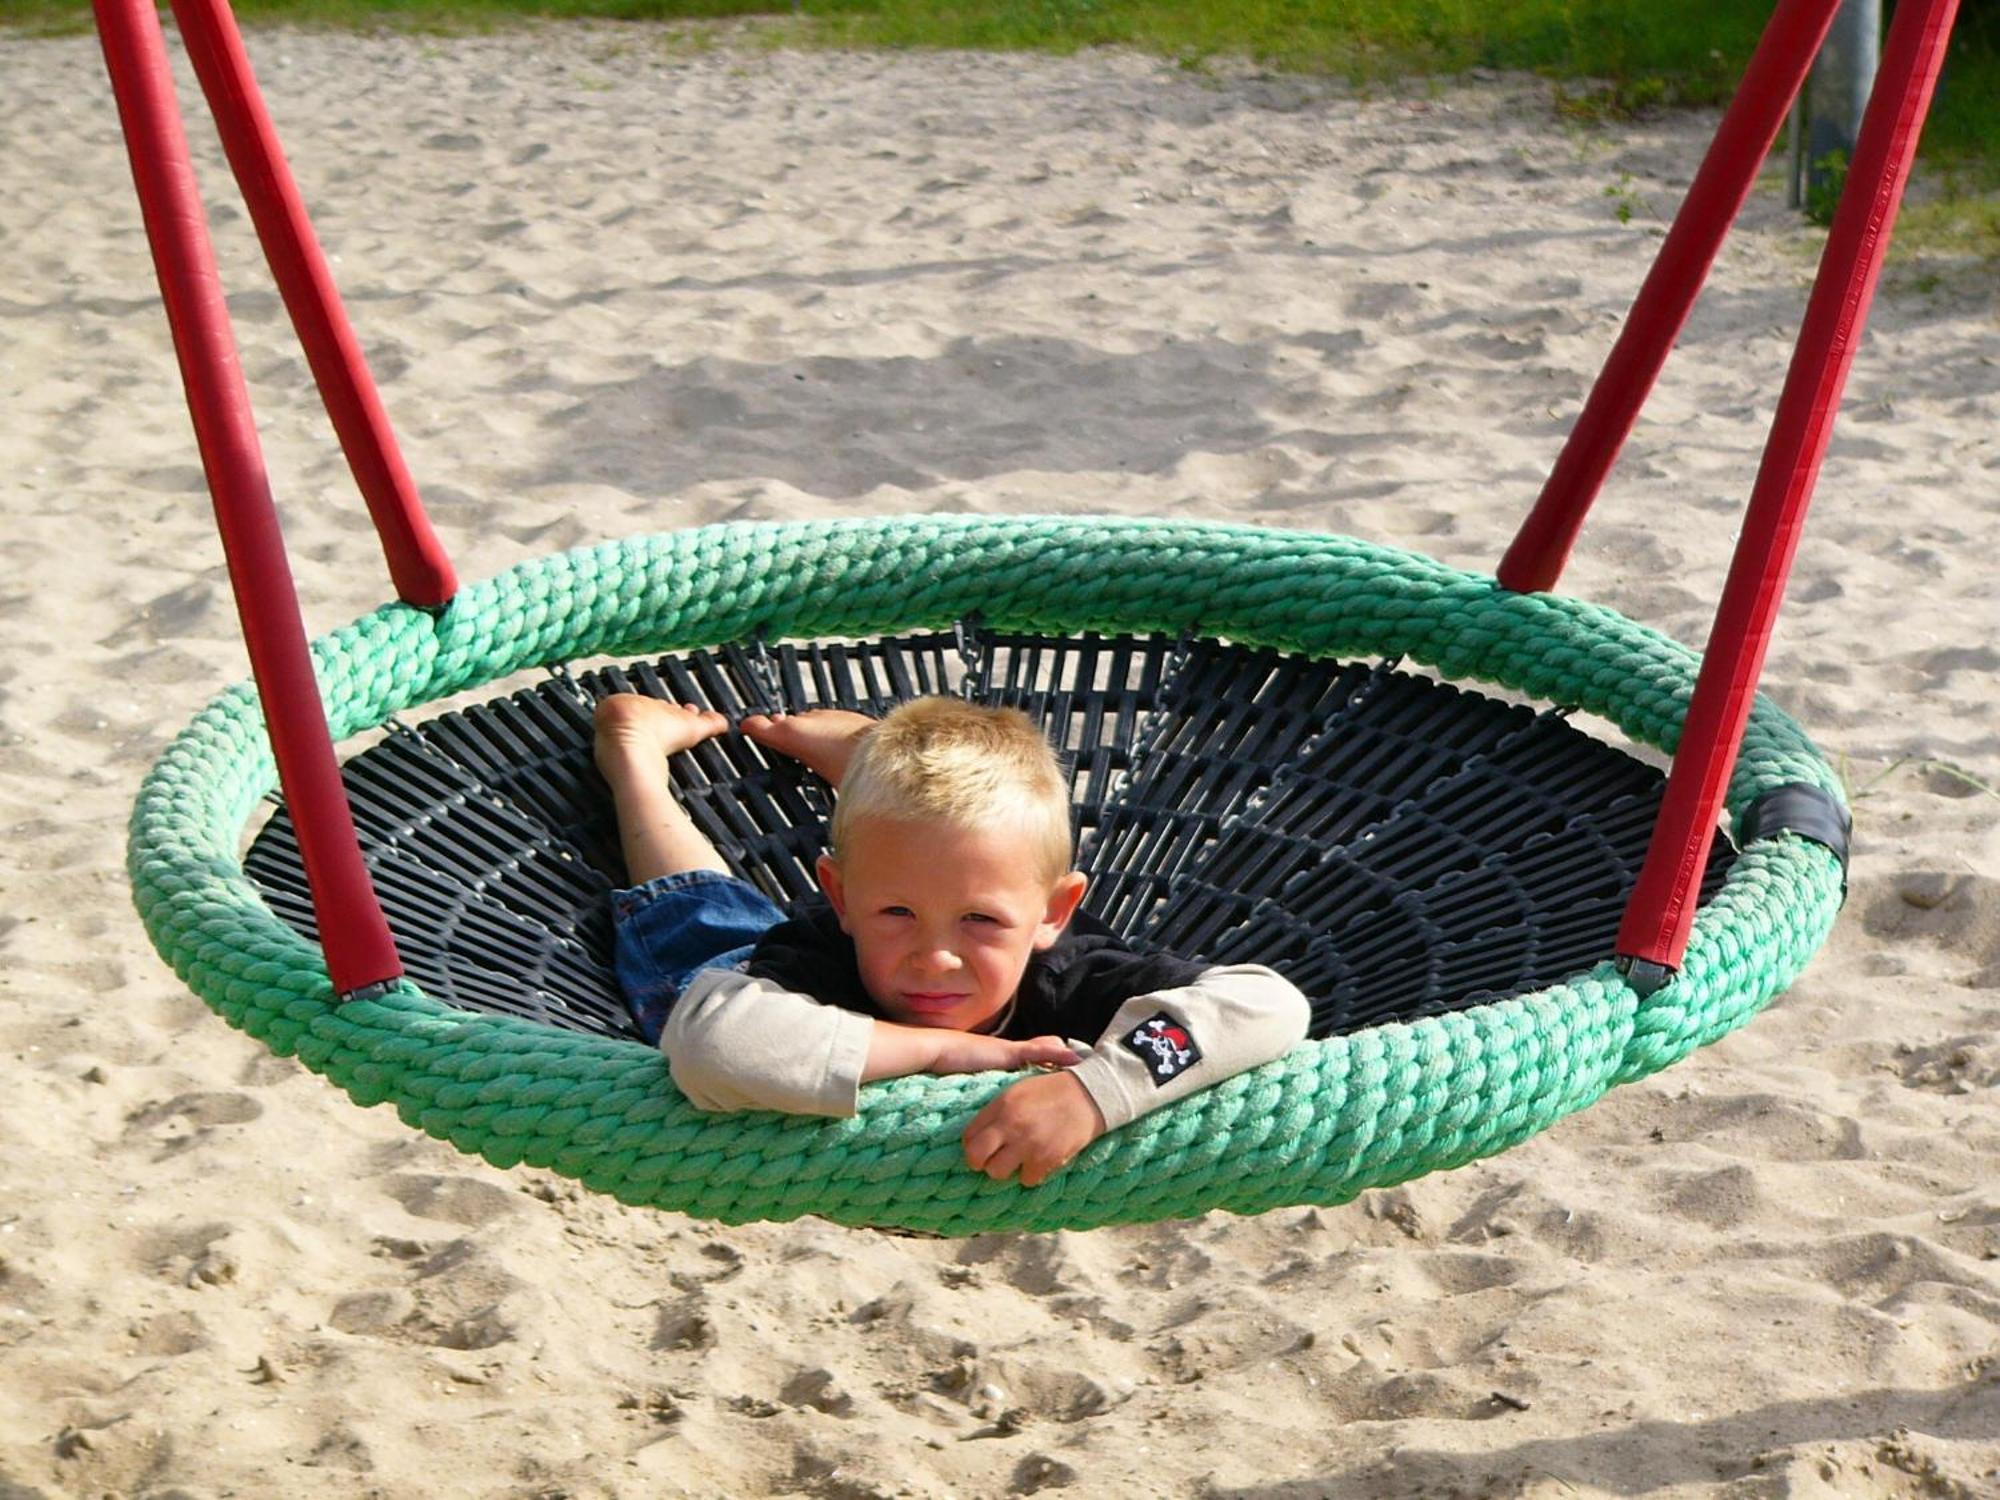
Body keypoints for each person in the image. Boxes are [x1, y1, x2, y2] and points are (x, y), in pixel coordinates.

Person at [594, 692, 1310, 1187]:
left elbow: (1267, 1006)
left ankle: (875, 771)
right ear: (839, 896)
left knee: (926, 856)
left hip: (936, 894)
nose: (935, 957)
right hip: (772, 978)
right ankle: (635, 759)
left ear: (1055, 913)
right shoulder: (809, 961)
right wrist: (947, 1050)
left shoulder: (1072, 973)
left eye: (981, 922)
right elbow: (714, 1047)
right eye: (897, 914)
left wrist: (1097, 1093)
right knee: (700, 917)